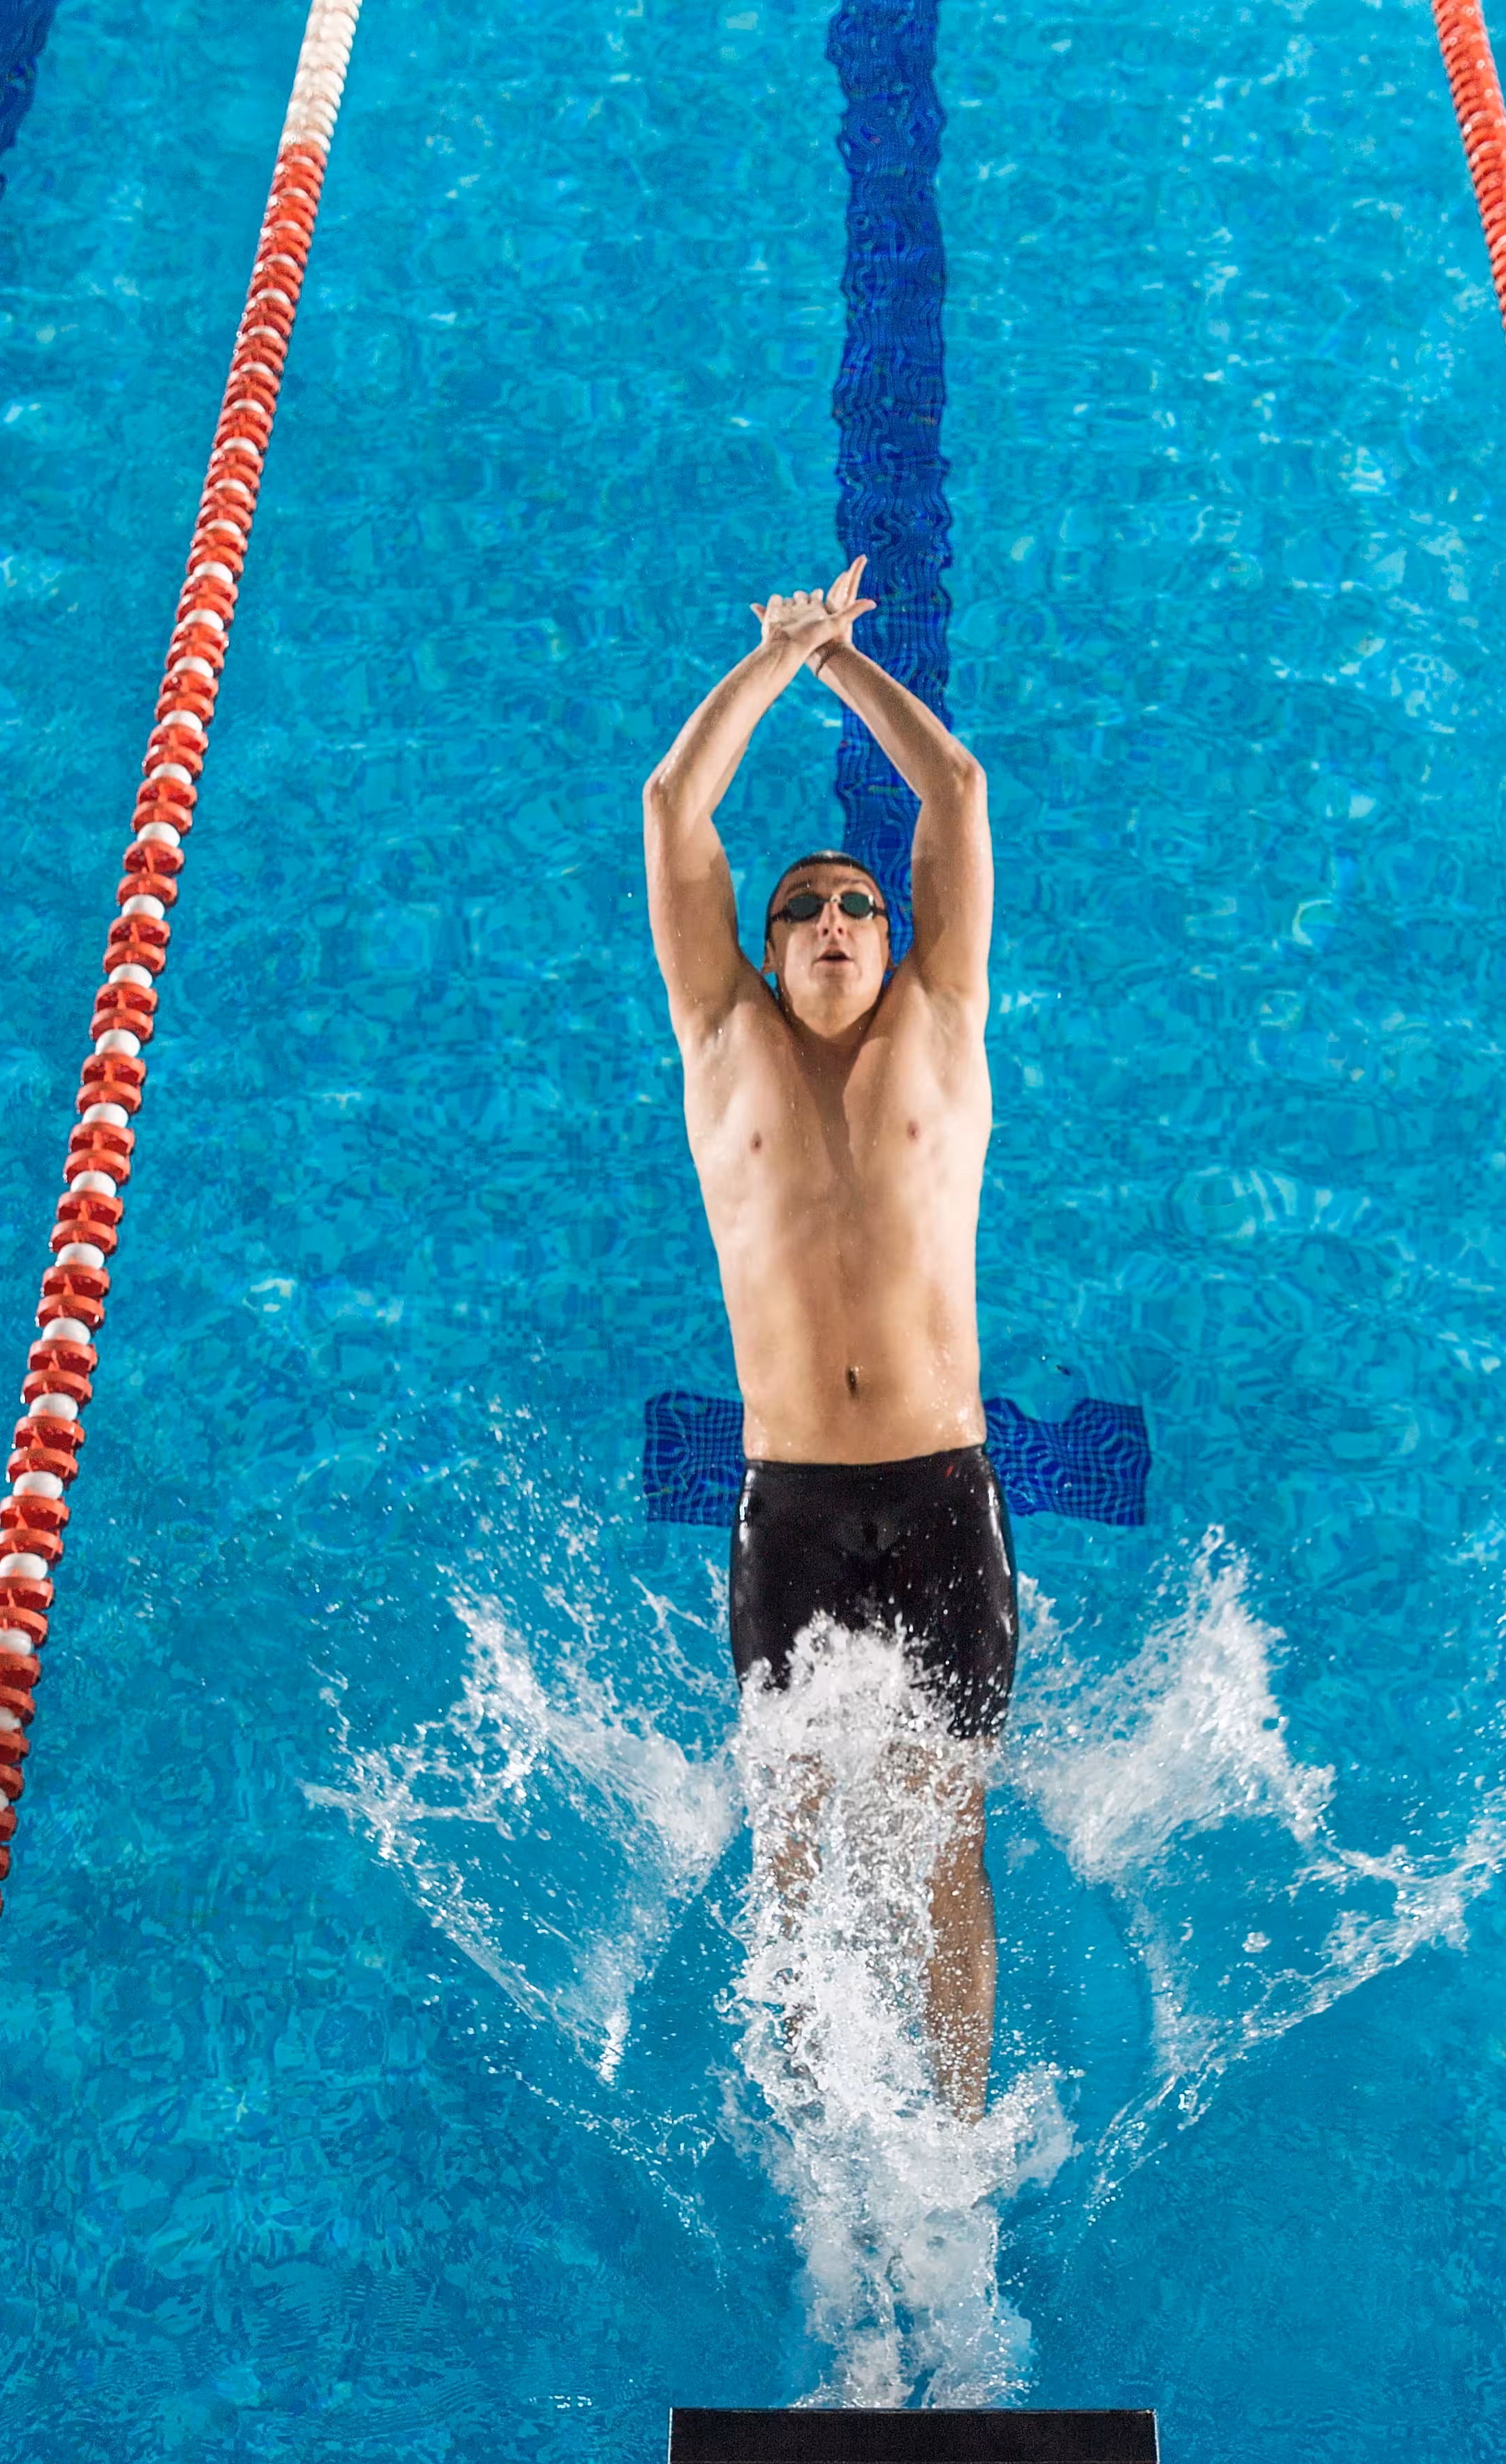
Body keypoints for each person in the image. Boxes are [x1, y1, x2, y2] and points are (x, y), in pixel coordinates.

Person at [644, 557, 1007, 2119]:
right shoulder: (725, 1042)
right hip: (788, 1504)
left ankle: (958, 2147)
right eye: (805, 907)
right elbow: (675, 807)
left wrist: (845, 661)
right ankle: (815, 2142)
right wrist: (772, 659)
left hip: (941, 1490)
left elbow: (957, 791)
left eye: (861, 902)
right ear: (768, 948)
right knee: (790, 1839)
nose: (841, 918)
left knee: (944, 1839)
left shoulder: (943, 1022)